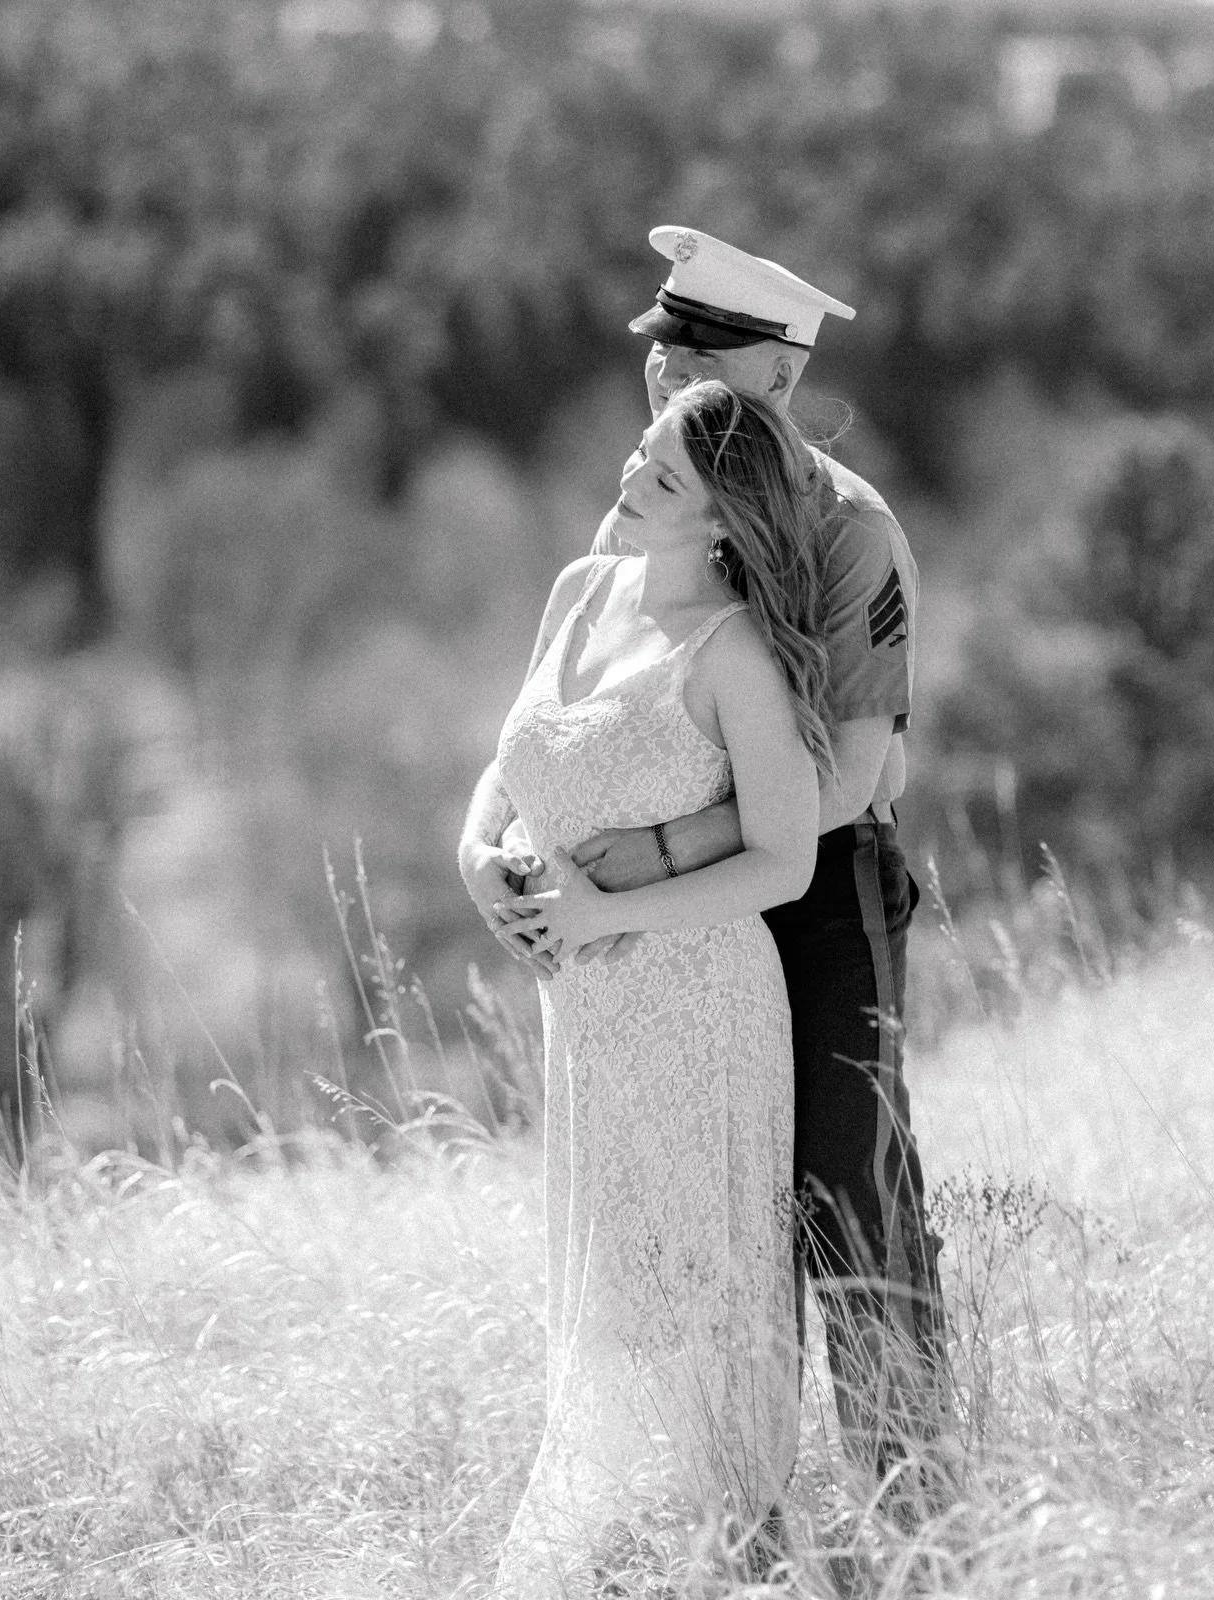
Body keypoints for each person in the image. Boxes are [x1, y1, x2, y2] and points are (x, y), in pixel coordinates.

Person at [462, 226, 950, 1500]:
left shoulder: (850, 533)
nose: (664, 385)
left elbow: (854, 775)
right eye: (659, 355)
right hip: (663, 927)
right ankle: (728, 1491)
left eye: (694, 359)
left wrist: (657, 854)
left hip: (822, 893)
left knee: (848, 1195)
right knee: (700, 1219)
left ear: (778, 378)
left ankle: (916, 1512)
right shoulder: (659, 504)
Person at [463, 381, 833, 1594]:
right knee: (607, 1302)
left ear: (723, 518)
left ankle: (735, 1561)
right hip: (588, 1016)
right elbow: (506, 762)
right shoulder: (581, 587)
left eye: (665, 477)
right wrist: (480, 861)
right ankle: (632, 1565)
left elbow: (785, 859)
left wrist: (609, 909)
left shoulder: (733, 655)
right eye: (642, 452)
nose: (633, 477)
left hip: (699, 1004)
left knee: (696, 1308)